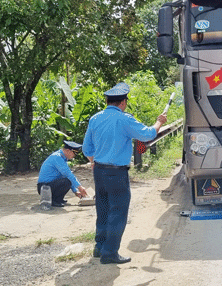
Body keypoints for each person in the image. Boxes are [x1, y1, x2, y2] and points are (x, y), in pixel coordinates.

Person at [83, 82, 167, 265]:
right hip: (117, 173)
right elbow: (147, 134)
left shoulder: (95, 119)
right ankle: (110, 253)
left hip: (99, 170)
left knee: (103, 209)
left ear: (107, 101)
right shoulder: (124, 119)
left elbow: (86, 148)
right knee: (117, 212)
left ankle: (99, 247)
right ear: (123, 103)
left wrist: (93, 162)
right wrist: (159, 122)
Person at [37, 140, 89, 207]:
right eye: (74, 153)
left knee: (67, 180)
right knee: (66, 181)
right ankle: (54, 201)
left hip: (48, 186)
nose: (75, 156)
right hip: (44, 187)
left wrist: (75, 191)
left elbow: (67, 175)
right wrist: (80, 187)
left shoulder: (62, 158)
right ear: (68, 150)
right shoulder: (57, 157)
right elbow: (68, 174)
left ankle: (58, 199)